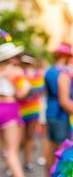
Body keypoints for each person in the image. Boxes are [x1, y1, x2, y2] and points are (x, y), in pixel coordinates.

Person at [44, 43, 73, 176]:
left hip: (51, 113)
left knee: (51, 147)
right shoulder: (62, 74)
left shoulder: (49, 71)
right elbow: (65, 101)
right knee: (61, 152)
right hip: (61, 115)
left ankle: (48, 173)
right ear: (66, 57)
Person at [0, 42, 30, 177]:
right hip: (9, 108)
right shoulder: (14, 70)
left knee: (5, 150)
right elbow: (24, 90)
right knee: (13, 152)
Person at [18, 54, 45, 172]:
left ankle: (27, 162)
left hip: (33, 111)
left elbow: (40, 89)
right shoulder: (18, 75)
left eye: (28, 63)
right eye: (24, 63)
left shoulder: (37, 75)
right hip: (19, 111)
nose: (26, 66)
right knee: (19, 139)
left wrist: (28, 83)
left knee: (30, 137)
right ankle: (15, 164)